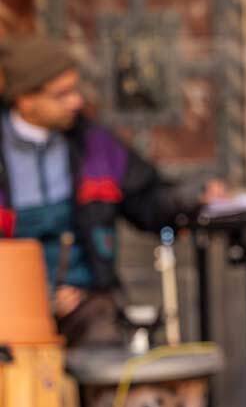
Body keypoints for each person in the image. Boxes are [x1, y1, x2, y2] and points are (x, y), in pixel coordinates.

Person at [0, 36, 226, 347]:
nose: (76, 102)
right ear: (26, 99)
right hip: (9, 309)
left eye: (75, 90)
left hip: (86, 302)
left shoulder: (96, 145)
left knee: (105, 339)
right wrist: (39, 299)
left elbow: (146, 200)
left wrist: (190, 197)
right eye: (62, 94)